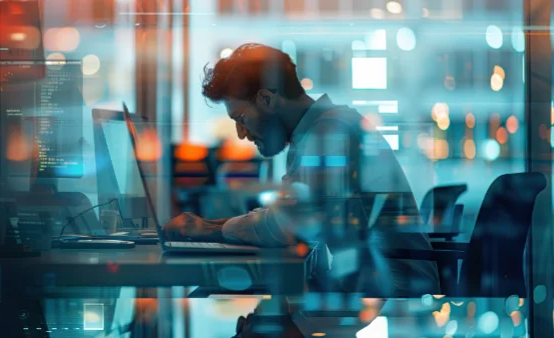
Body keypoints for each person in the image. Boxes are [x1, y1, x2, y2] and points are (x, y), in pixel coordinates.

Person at [163, 43, 440, 298]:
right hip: (371, 289)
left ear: (267, 100)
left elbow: (287, 226)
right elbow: (290, 215)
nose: (241, 134)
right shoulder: (323, 129)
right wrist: (209, 227)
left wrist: (208, 230)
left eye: (241, 118)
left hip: (390, 299)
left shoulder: (329, 133)